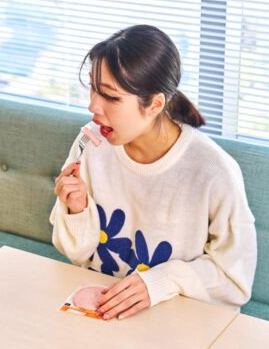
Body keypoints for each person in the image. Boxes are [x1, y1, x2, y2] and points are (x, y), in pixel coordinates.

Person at [50, 25, 257, 321]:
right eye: (94, 89)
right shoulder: (92, 146)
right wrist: (77, 209)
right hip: (100, 310)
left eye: (110, 96)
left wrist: (163, 281)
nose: (93, 106)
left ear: (155, 104)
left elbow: (234, 280)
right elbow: (76, 254)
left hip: (176, 319)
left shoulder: (213, 172)